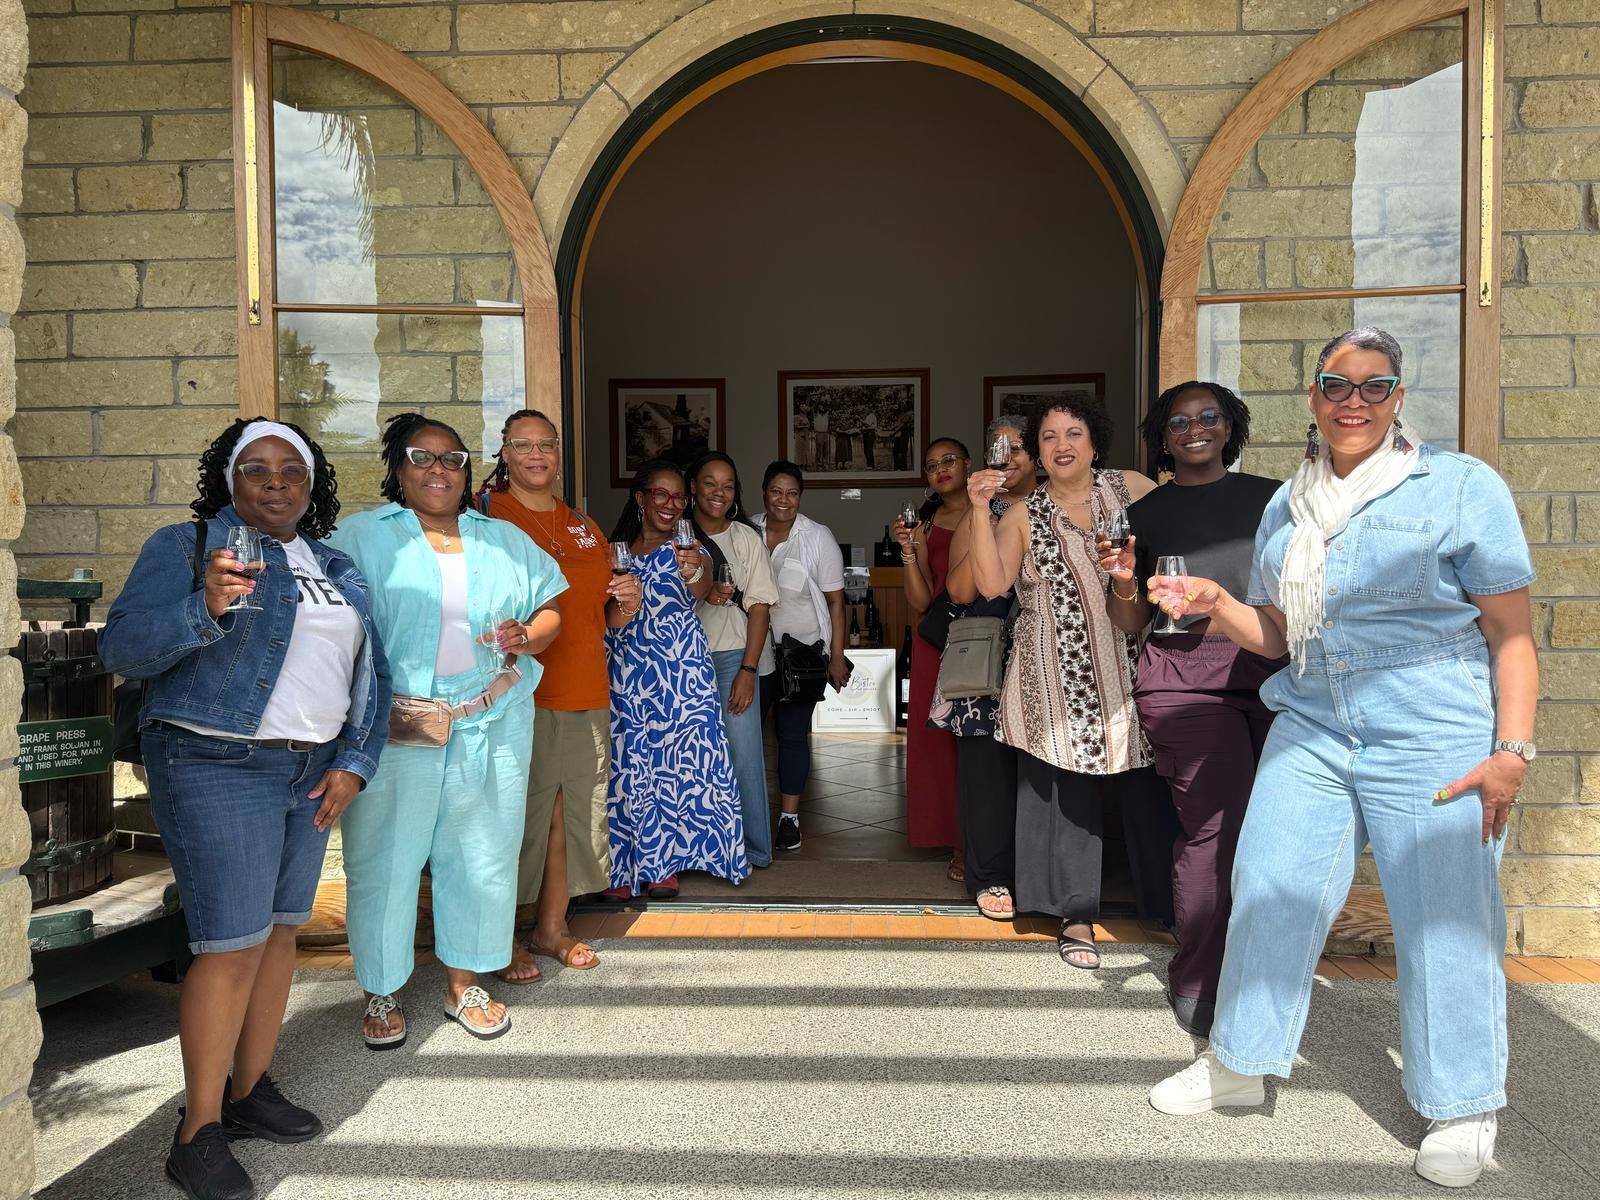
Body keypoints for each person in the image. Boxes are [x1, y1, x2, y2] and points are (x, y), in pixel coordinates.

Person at [1148, 328, 1538, 1190]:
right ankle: (1241, 1066)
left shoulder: (1462, 488)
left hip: (1431, 730)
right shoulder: (1290, 504)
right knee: (1270, 886)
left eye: (1374, 385)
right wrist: (1215, 603)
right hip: (1316, 723)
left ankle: (1463, 1103)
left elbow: (1511, 635)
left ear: (1400, 396)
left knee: (1444, 919)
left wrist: (1510, 751)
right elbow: (1284, 635)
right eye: (1336, 385)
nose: (1352, 401)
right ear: (1315, 399)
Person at [102, 418, 391, 1200]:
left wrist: (355, 764)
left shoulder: (334, 566)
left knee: (279, 936)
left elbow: (374, 675)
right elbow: (122, 649)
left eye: (291, 469)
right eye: (256, 468)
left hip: (310, 773)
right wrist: (205, 606)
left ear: (311, 482)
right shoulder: (188, 546)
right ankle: (196, 1134)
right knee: (229, 944)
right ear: (230, 480)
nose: (275, 481)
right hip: (213, 762)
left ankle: (249, 1089)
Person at [330, 413, 565, 1050]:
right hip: (397, 724)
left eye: (452, 460)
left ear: (468, 474)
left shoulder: (503, 539)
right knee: (385, 860)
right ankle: (382, 989)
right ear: (398, 470)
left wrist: (527, 634)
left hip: (490, 719)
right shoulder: (361, 537)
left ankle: (466, 984)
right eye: (422, 457)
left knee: (482, 857)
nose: (438, 470)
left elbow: (550, 610)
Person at [966, 394, 1178, 968]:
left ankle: (1166, 903)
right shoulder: (1020, 512)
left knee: (1147, 781)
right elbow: (990, 585)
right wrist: (978, 510)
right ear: (1036, 451)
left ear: (1094, 441)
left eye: (1074, 433)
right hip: (1050, 668)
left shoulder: (1130, 487)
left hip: (1130, 656)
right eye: (1050, 437)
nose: (1062, 445)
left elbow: (1174, 545)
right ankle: (1075, 914)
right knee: (1065, 793)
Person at [1099, 382, 1283, 1035]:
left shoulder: (1272, 499)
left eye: (1209, 417)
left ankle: (1265, 966)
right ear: (1163, 437)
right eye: (1179, 422)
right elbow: (1130, 621)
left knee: (1276, 831)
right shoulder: (1147, 515)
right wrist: (1124, 583)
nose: (1194, 429)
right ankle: (1200, 979)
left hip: (1274, 672)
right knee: (1215, 828)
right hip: (1184, 678)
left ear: (1231, 427)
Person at [477, 409, 643, 982]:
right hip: (519, 690)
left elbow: (605, 619)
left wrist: (626, 602)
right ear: (504, 453)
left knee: (570, 814)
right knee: (515, 817)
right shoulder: (487, 514)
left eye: (545, 442)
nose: (536, 453)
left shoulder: (584, 525)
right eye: (522, 444)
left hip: (585, 687)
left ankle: (551, 927)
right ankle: (497, 938)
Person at [606, 460, 751, 897]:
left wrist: (693, 569)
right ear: (641, 499)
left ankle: (665, 864)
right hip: (627, 668)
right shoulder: (613, 552)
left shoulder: (691, 550)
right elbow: (608, 619)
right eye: (660, 495)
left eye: (678, 498)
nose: (670, 505)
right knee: (628, 763)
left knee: (680, 764)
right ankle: (623, 867)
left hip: (680, 670)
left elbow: (701, 587)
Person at [936, 417, 1036, 918]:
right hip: (990, 653)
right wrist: (986, 520)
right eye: (1000, 448)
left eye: (1019, 447)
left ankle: (1042, 874)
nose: (1010, 457)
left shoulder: (1066, 502)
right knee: (986, 771)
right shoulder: (984, 510)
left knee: (1045, 768)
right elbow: (958, 591)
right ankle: (991, 875)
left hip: (1050, 651)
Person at [688, 451, 780, 869]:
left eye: (727, 485)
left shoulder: (745, 539)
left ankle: (754, 849)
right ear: (693, 487)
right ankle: (699, 851)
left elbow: (759, 606)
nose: (718, 493)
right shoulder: (675, 533)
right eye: (709, 483)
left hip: (731, 658)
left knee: (743, 753)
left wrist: (749, 669)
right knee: (689, 756)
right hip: (679, 660)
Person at [753, 461, 849, 850]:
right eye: (777, 491)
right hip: (751, 653)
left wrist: (837, 657)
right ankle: (746, 815)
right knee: (744, 736)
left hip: (802, 654)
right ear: (764, 492)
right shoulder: (747, 529)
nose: (784, 500)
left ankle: (789, 819)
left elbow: (836, 602)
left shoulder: (817, 537)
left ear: (800, 497)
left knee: (792, 735)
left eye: (792, 493)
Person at [893, 437, 971, 879]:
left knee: (981, 743)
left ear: (968, 465)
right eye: (931, 465)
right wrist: (909, 550)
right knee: (937, 741)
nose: (940, 470)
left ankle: (984, 834)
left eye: (949, 461)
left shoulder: (998, 510)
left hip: (988, 632)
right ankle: (954, 840)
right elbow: (921, 598)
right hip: (937, 639)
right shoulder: (924, 522)